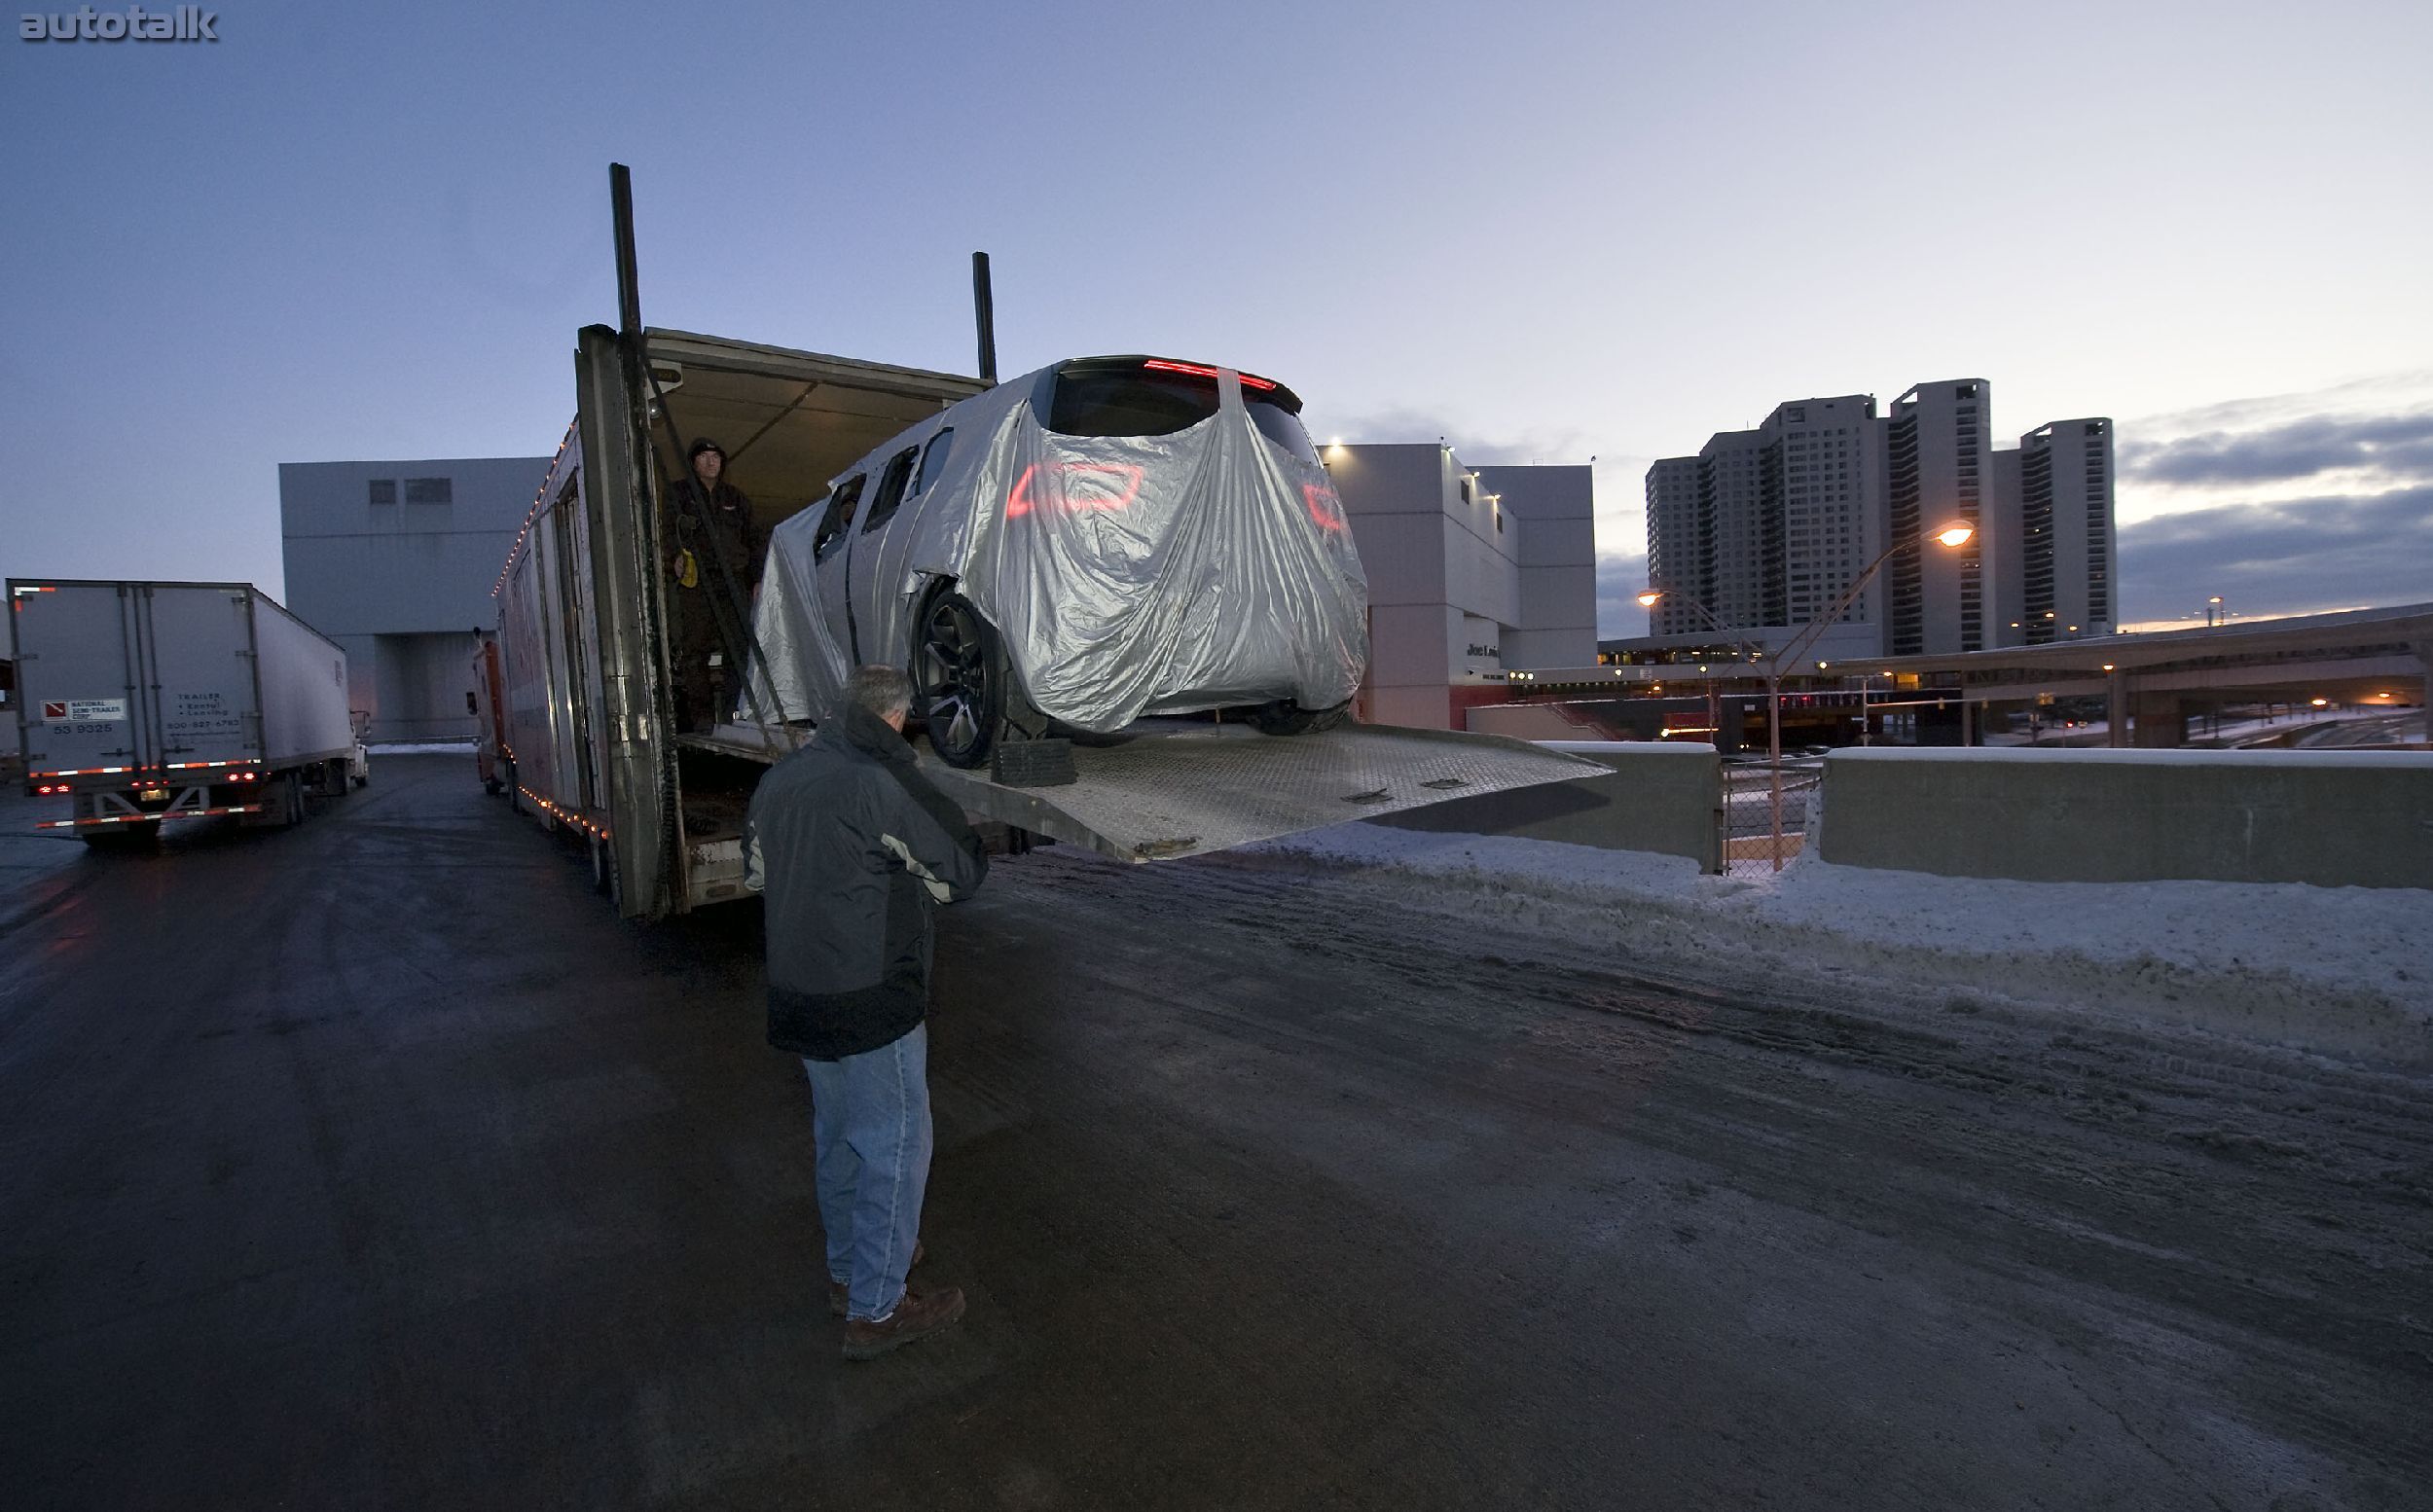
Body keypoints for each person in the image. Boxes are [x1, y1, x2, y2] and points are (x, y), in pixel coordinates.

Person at [744, 664, 990, 1360]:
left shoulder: (779, 782)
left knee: (840, 1137)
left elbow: (758, 873)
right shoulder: (879, 781)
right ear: (895, 718)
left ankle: (850, 1275)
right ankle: (878, 1312)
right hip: (871, 998)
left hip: (800, 996)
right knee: (895, 1146)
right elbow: (957, 871)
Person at [665, 437, 766, 732]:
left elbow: (755, 539)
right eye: (705, 456)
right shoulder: (679, 493)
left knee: (739, 648)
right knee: (696, 651)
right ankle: (703, 718)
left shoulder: (735, 498)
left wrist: (757, 577)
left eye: (716, 457)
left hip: (733, 579)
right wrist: (674, 558)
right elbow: (667, 530)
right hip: (697, 580)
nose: (711, 462)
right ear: (694, 462)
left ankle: (733, 712)